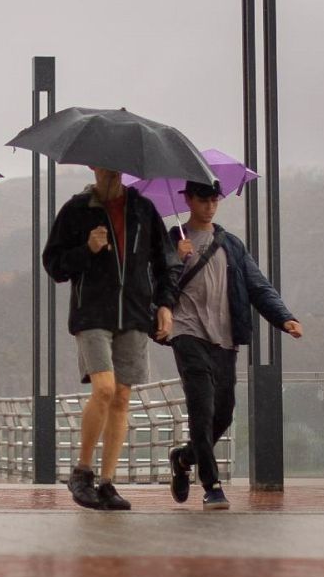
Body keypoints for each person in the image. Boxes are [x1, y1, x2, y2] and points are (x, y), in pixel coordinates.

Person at [161, 181, 302, 510]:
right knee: (201, 409)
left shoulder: (230, 245)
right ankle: (212, 485)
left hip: (224, 337)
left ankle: (183, 459)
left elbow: (257, 285)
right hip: (186, 332)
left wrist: (284, 318)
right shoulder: (171, 241)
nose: (210, 206)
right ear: (188, 199)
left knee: (223, 413)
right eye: (203, 200)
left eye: (214, 200)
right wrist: (176, 259)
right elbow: (155, 282)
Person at [42, 166, 176, 510]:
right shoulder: (76, 210)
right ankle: (82, 472)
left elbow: (164, 263)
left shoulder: (144, 210)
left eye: (117, 164)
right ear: (93, 166)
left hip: (133, 314)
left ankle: (107, 482)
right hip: (91, 315)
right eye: (105, 164)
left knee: (121, 396)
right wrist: (87, 248)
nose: (112, 171)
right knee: (103, 389)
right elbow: (54, 265)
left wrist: (164, 304)